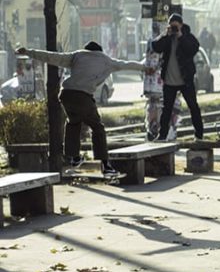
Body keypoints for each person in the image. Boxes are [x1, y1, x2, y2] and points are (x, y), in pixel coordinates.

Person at [17, 42, 150, 175]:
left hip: (66, 94)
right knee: (97, 128)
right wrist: (145, 68)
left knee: (73, 122)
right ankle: (105, 165)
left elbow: (51, 57)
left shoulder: (76, 56)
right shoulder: (106, 61)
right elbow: (127, 64)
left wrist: (28, 52)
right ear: (100, 51)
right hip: (83, 96)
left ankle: (73, 157)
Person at [151, 13, 205, 142]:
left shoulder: (188, 36)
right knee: (167, 109)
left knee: (193, 106)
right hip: (170, 80)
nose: (174, 28)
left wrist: (180, 36)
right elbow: (156, 47)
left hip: (185, 80)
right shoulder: (167, 37)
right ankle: (162, 135)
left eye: (176, 25)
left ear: (181, 25)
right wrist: (165, 35)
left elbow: (193, 49)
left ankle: (199, 134)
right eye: (172, 25)